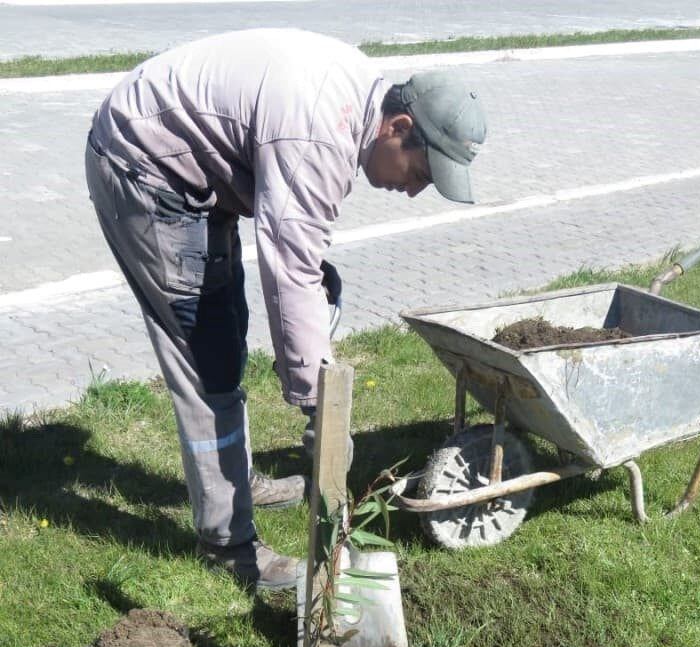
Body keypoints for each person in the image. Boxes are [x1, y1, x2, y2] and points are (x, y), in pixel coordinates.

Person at [85, 29, 486, 590]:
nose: (415, 191)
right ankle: (229, 545)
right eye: (420, 174)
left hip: (197, 169)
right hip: (147, 169)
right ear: (398, 128)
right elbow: (289, 265)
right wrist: (320, 406)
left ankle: (236, 480)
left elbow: (294, 244)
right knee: (206, 361)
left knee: (231, 329)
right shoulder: (319, 133)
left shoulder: (354, 104)